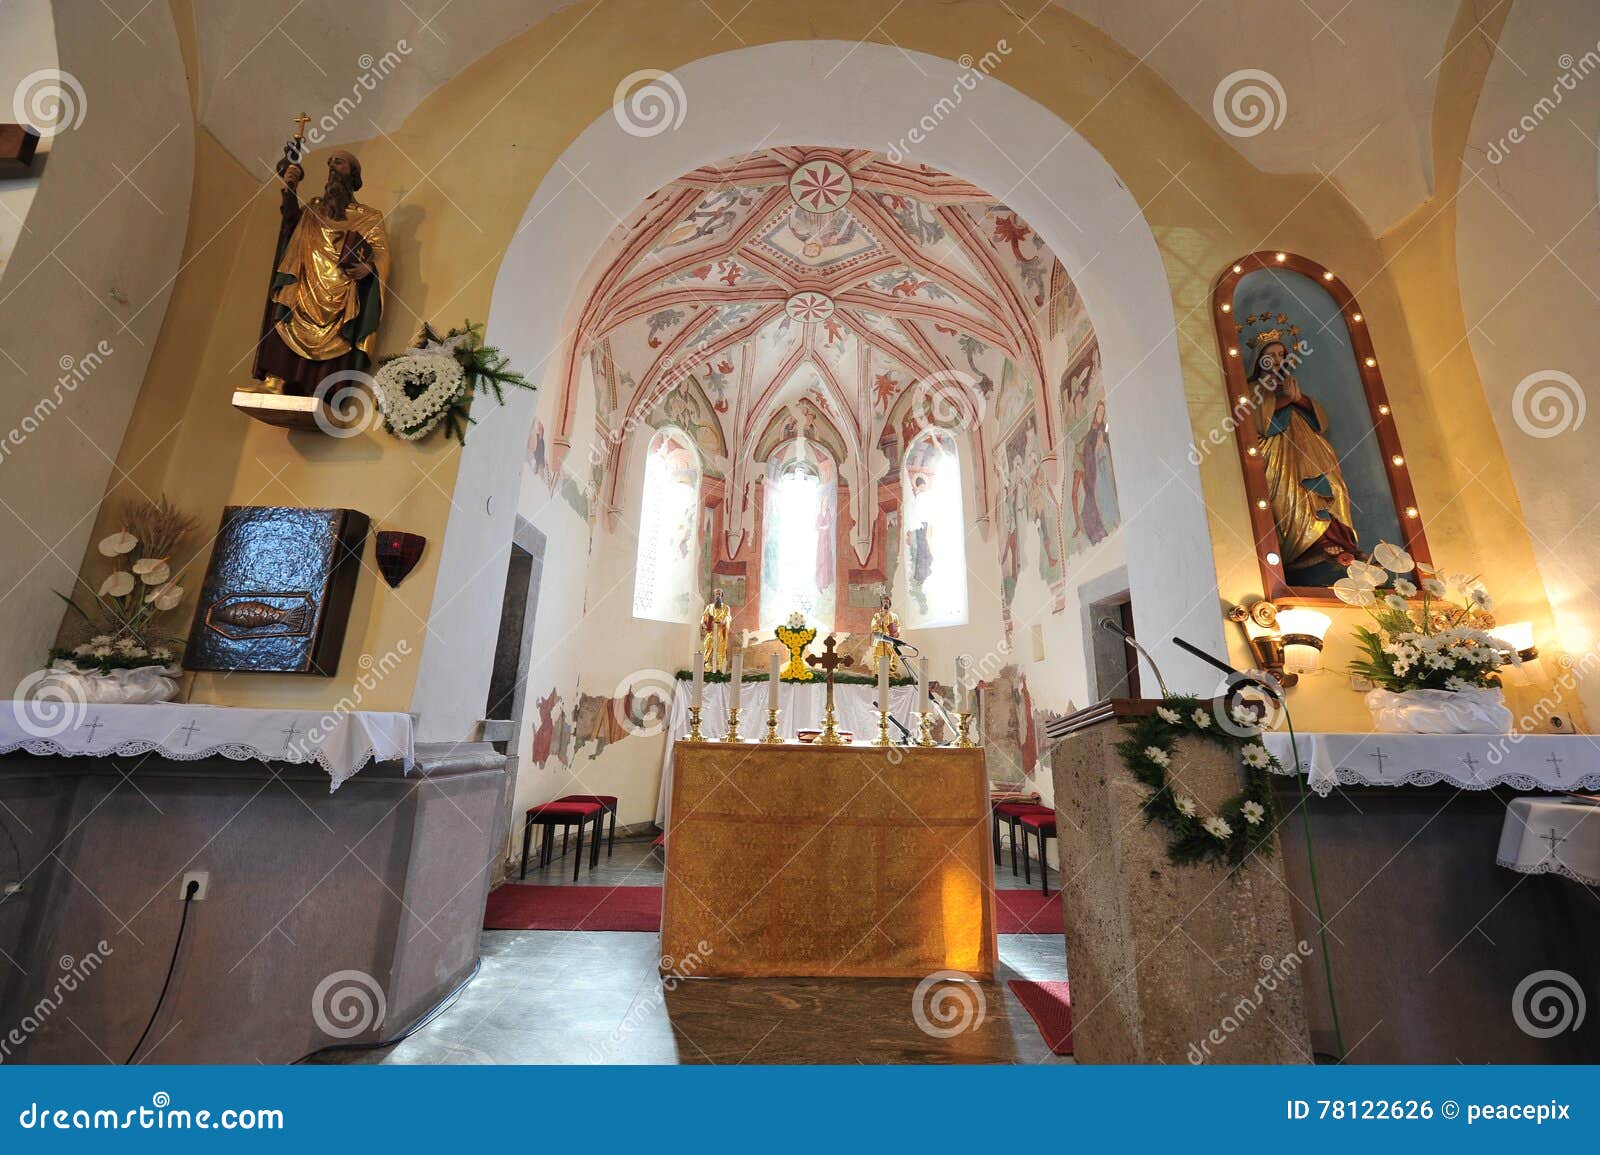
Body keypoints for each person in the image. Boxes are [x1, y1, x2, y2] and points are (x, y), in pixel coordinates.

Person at [252, 150, 389, 395]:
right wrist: (290, 186)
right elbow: (291, 223)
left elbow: (381, 252)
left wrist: (368, 267)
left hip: (341, 289)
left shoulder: (368, 217)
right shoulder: (314, 209)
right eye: (330, 163)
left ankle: (322, 391)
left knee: (338, 339)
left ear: (353, 173)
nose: (332, 167)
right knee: (287, 317)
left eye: (340, 162)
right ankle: (276, 382)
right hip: (304, 280)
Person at [1249, 337, 1358, 571]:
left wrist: (1299, 399)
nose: (1278, 360)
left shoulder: (1290, 383)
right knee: (1294, 497)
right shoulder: (1253, 387)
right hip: (1278, 454)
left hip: (1310, 449)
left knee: (1333, 486)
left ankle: (1337, 540)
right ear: (1260, 360)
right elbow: (1259, 420)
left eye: (1281, 354)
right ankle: (1307, 548)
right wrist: (1287, 398)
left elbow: (1321, 422)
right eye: (1272, 355)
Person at [700, 588, 732, 674]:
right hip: (711, 630)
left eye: (719, 594)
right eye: (716, 594)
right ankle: (708, 665)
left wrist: (725, 620)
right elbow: (704, 615)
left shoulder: (726, 607)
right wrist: (703, 623)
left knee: (719, 647)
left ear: (722, 595)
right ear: (714, 595)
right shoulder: (709, 606)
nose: (718, 595)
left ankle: (719, 667)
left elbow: (728, 616)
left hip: (720, 630)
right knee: (708, 645)